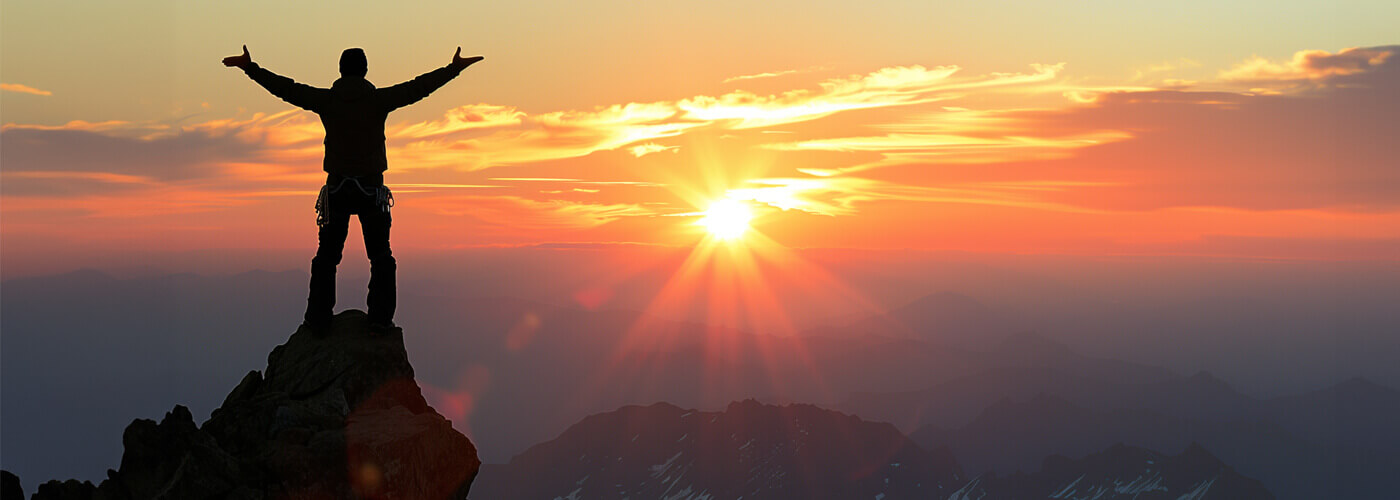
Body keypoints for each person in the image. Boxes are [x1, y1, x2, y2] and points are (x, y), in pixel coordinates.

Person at [223, 45, 483, 334]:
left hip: (337, 191)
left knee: (327, 257)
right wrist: (453, 69)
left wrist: (251, 68)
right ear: (365, 70)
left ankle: (318, 318)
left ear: (340, 70)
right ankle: (380, 320)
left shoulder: (328, 100)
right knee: (381, 257)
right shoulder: (377, 100)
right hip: (371, 190)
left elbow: (287, 89)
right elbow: (417, 88)